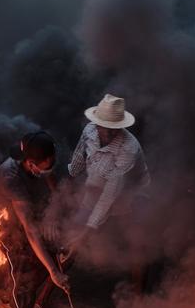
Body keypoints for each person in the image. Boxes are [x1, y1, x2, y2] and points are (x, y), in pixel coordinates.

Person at [0, 131, 70, 308]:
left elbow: (53, 187)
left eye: (50, 166)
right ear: (30, 164)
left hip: (35, 214)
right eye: (44, 169)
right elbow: (30, 230)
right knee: (21, 254)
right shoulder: (10, 178)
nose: (48, 172)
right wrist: (53, 271)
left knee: (68, 247)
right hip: (7, 224)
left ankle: (39, 303)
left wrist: (53, 215)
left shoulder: (42, 158)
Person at [64, 94, 150, 286]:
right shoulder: (89, 131)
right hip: (96, 188)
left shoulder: (129, 148)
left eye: (115, 129)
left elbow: (109, 196)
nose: (110, 134)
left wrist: (87, 232)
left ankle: (138, 303)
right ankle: (49, 291)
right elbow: (78, 159)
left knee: (137, 242)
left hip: (132, 195)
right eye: (106, 128)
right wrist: (66, 187)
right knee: (72, 238)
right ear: (97, 123)